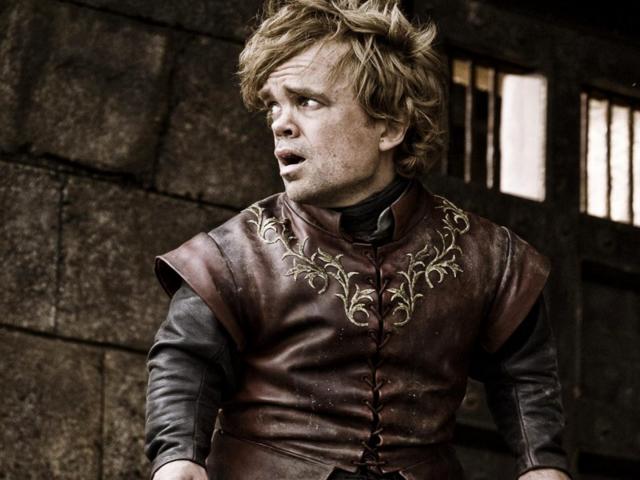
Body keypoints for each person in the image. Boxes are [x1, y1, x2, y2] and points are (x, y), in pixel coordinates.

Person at [145, 1, 573, 479]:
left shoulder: (488, 257)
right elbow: (186, 360)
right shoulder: (231, 254)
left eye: (307, 101)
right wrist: (178, 457)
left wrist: (542, 464)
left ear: (389, 126)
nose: (280, 123)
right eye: (273, 104)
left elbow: (524, 372)